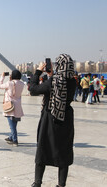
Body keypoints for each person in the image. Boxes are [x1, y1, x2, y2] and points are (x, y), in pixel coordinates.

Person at [30, 54, 76, 187]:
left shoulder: (53, 81)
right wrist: (52, 75)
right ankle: (61, 184)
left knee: (43, 148)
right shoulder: (73, 81)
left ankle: (37, 182)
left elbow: (33, 89)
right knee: (64, 150)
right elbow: (60, 86)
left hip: (50, 118)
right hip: (66, 119)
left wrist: (38, 71)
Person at [0, 70, 24, 146]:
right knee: (14, 123)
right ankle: (11, 137)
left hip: (10, 106)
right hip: (18, 106)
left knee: (11, 125)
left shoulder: (9, 83)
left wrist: (2, 76)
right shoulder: (22, 84)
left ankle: (15, 140)